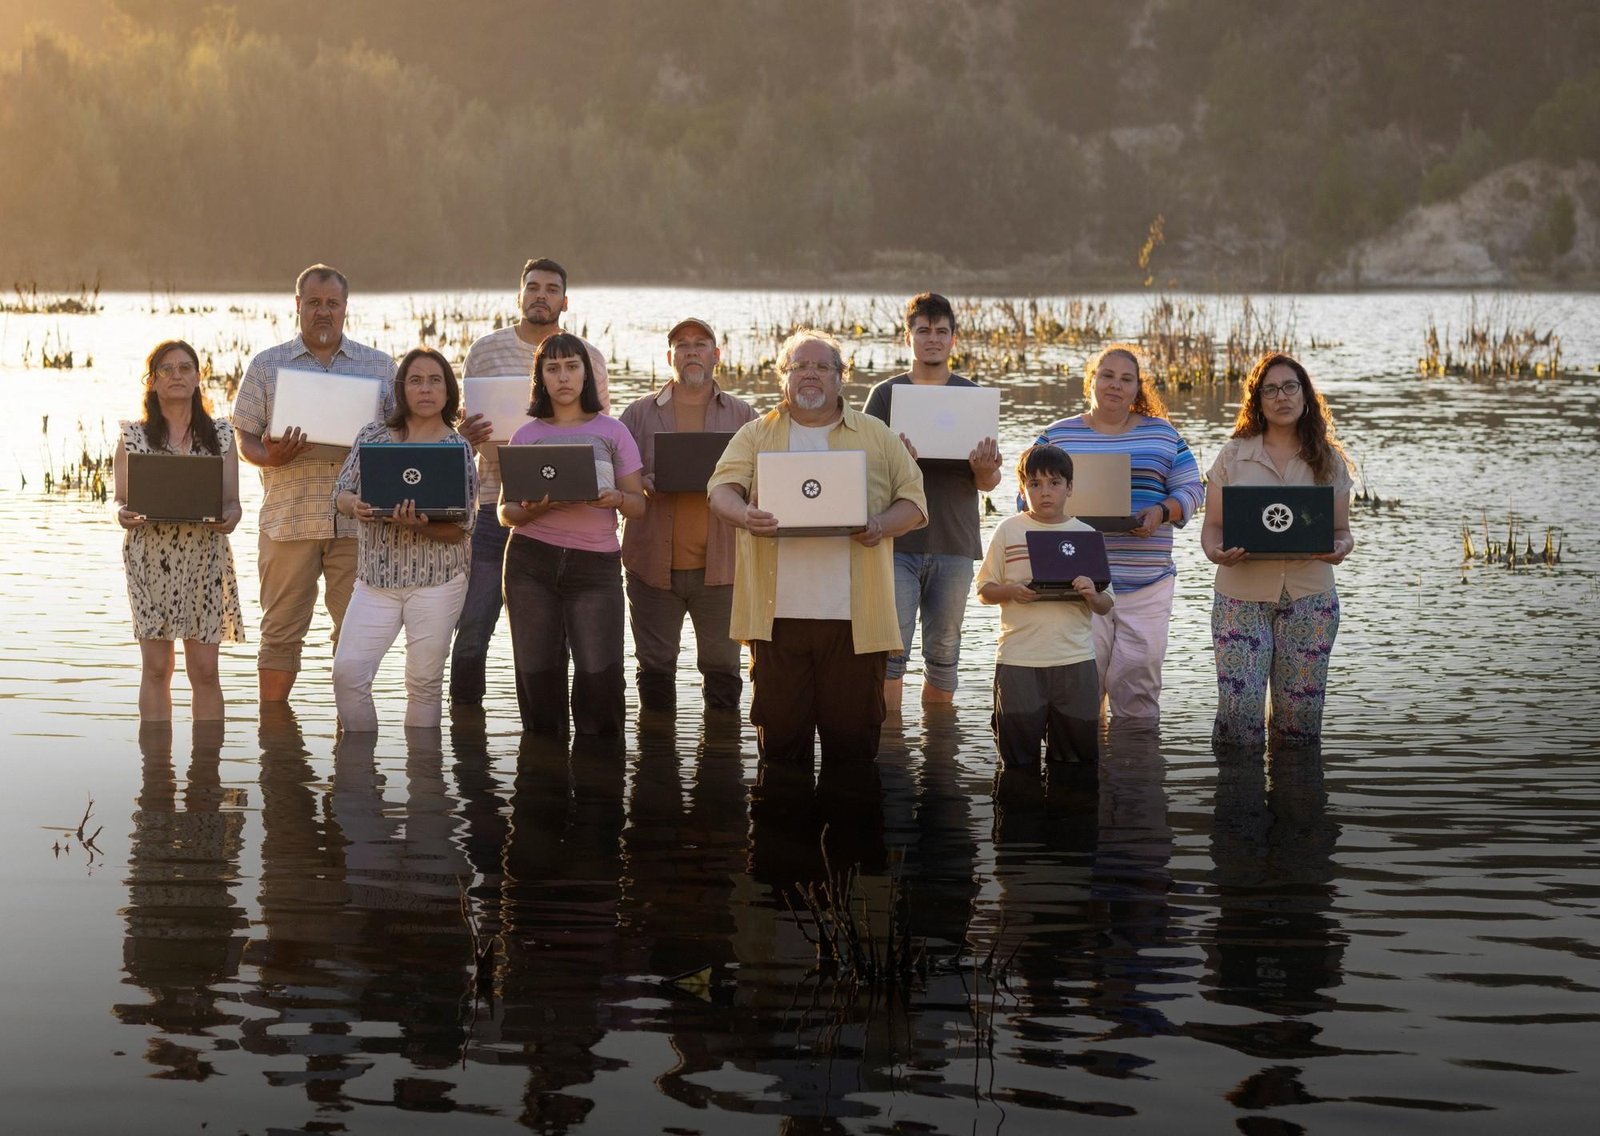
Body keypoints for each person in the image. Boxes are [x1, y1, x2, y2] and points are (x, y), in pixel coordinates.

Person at [708, 329, 927, 764]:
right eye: (800, 366)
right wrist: (744, 514)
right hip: (776, 620)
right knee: (782, 750)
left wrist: (881, 524)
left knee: (852, 753)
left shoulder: (877, 435)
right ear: (783, 377)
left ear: (841, 377)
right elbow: (719, 491)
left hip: (855, 622)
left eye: (822, 366)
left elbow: (916, 504)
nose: (811, 375)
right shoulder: (754, 435)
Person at [230, 264, 397, 703]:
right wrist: (268, 455)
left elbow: (404, 434)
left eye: (332, 304)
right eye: (314, 302)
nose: (323, 312)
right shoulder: (266, 365)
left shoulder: (379, 366)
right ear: (298, 305)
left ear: (345, 308)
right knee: (280, 633)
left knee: (355, 636)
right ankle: (276, 743)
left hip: (358, 525)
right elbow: (243, 433)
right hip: (289, 518)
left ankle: (350, 739)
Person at [450, 258, 609, 709]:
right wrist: (465, 436)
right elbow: (465, 428)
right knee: (472, 633)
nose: (542, 295)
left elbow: (600, 434)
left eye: (551, 288)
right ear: (520, 295)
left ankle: (549, 739)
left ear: (564, 300)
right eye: (533, 287)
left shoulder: (588, 356)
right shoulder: (484, 350)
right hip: (489, 510)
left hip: (561, 513)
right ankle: (466, 738)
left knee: (551, 641)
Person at [1031, 344, 1204, 726]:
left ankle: (1134, 776)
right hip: (1076, 582)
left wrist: (1161, 512)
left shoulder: (1163, 434)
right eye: (1107, 376)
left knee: (1138, 690)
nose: (1115, 385)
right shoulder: (1056, 437)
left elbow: (1193, 489)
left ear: (1137, 388)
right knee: (1080, 691)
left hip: (1147, 582)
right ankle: (1082, 777)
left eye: (1127, 379)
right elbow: (1024, 497)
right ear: (1091, 380)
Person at [1201, 351, 1355, 752]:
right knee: (1240, 723)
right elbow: (1212, 528)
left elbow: (1343, 532)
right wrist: (1217, 552)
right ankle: (1238, 807)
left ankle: (1298, 808)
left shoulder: (1329, 460)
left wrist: (1340, 548)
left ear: (1305, 395)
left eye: (1290, 387)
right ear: (1258, 400)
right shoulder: (1233, 455)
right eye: (1270, 389)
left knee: (1300, 728)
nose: (1281, 397)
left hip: (1311, 600)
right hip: (1240, 599)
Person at [864, 292, 1002, 712]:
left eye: (942, 331)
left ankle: (937, 751)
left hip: (954, 543)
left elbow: (990, 481)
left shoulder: (972, 396)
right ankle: (890, 753)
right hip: (896, 544)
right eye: (923, 330)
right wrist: (895, 461)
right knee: (891, 655)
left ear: (953, 340)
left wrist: (983, 467)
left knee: (944, 656)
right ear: (908, 338)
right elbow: (863, 475)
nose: (933, 339)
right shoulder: (885, 396)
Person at [500, 333, 644, 736]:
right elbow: (505, 513)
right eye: (552, 368)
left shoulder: (613, 432)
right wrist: (536, 510)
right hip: (530, 564)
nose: (563, 376)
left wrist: (615, 497)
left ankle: (600, 785)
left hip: (594, 568)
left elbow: (639, 504)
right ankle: (543, 782)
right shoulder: (525, 436)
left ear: (586, 374)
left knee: (600, 682)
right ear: (540, 378)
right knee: (537, 682)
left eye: (572, 366)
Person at [330, 348, 477, 731]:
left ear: (448, 393)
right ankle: (360, 777)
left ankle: (424, 783)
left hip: (437, 583)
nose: (425, 389)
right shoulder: (373, 436)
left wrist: (419, 525)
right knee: (347, 675)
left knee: (424, 685)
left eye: (434, 381)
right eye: (415, 380)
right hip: (375, 582)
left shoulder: (458, 449)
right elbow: (340, 493)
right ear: (401, 389)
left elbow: (462, 529)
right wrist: (355, 506)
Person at [619, 317, 758, 712]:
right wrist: (643, 480)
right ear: (669, 357)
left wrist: (734, 487)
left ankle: (720, 760)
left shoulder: (744, 415)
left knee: (723, 670)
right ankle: (657, 760)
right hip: (651, 568)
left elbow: (764, 479)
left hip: (722, 569)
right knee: (655, 669)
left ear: (716, 355)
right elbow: (615, 476)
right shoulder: (638, 415)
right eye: (682, 345)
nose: (691, 351)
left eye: (700, 344)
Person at [111, 340, 244, 722]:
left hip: (204, 556)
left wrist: (231, 517)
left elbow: (232, 502)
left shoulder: (221, 434)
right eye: (166, 370)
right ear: (151, 381)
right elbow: (117, 498)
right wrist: (120, 514)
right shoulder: (132, 436)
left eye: (185, 368)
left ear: (198, 378)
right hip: (148, 557)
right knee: (156, 668)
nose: (176, 376)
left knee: (204, 671)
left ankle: (206, 776)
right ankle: (156, 775)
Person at [977, 445, 1114, 768]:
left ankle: (1071, 818)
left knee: (1076, 764)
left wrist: (1091, 594)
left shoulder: (1087, 535)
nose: (1045, 492)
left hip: (1075, 662)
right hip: (1018, 662)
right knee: (1017, 765)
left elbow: (1106, 604)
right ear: (1023, 489)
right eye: (1034, 484)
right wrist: (1011, 591)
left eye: (1054, 483)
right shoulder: (1008, 530)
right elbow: (984, 590)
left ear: (1070, 487)